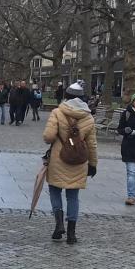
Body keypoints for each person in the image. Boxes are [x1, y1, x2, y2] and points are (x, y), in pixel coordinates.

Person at [42, 83, 98, 244]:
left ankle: (59, 224)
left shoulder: (58, 113)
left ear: (66, 96)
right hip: (78, 160)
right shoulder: (88, 117)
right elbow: (92, 144)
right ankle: (71, 233)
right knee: (73, 196)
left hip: (59, 158)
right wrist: (92, 164)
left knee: (55, 191)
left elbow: (48, 136)